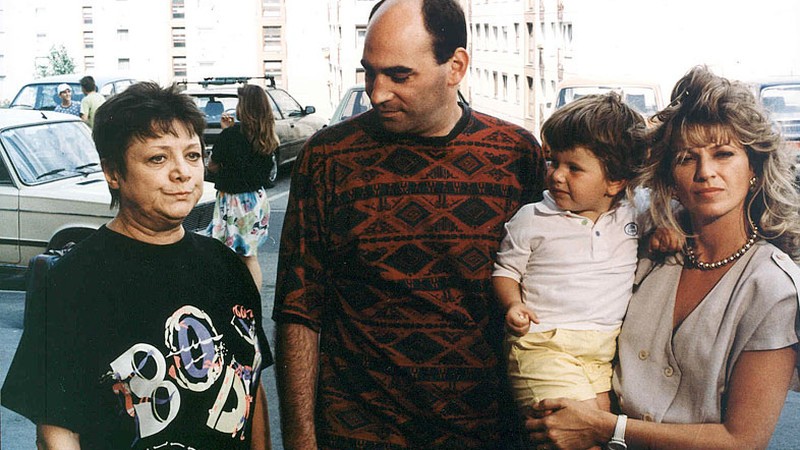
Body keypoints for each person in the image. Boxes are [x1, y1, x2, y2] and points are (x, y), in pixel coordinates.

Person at [272, 0, 547, 448]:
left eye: (399, 76)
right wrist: (300, 440)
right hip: (359, 433)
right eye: (369, 73)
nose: (377, 93)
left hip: (486, 432)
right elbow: (298, 310)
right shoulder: (327, 157)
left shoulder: (516, 154)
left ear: (455, 66)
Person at [527, 66, 800, 449]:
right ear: (670, 177)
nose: (706, 172)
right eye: (687, 158)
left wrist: (605, 428)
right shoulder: (646, 247)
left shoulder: (773, 287)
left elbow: (743, 441)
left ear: (753, 167)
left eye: (723, 154)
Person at [1, 82, 273, 450]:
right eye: (158, 158)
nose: (182, 172)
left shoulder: (227, 266)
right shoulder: (72, 281)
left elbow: (252, 388)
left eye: (193, 155)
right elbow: (57, 431)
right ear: (113, 172)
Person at [493, 93, 647, 421]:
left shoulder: (633, 215)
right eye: (554, 162)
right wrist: (513, 304)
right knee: (574, 429)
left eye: (573, 168)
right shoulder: (532, 218)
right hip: (543, 346)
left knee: (601, 429)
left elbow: (668, 214)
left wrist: (667, 232)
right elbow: (506, 270)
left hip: (602, 352)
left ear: (615, 182)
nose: (556, 175)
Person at [206, 84, 278, 291]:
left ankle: (239, 298)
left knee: (233, 254)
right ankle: (251, 300)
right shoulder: (267, 137)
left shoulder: (230, 135)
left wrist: (226, 132)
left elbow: (212, 165)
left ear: (244, 107)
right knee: (249, 255)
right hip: (256, 200)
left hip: (233, 201)